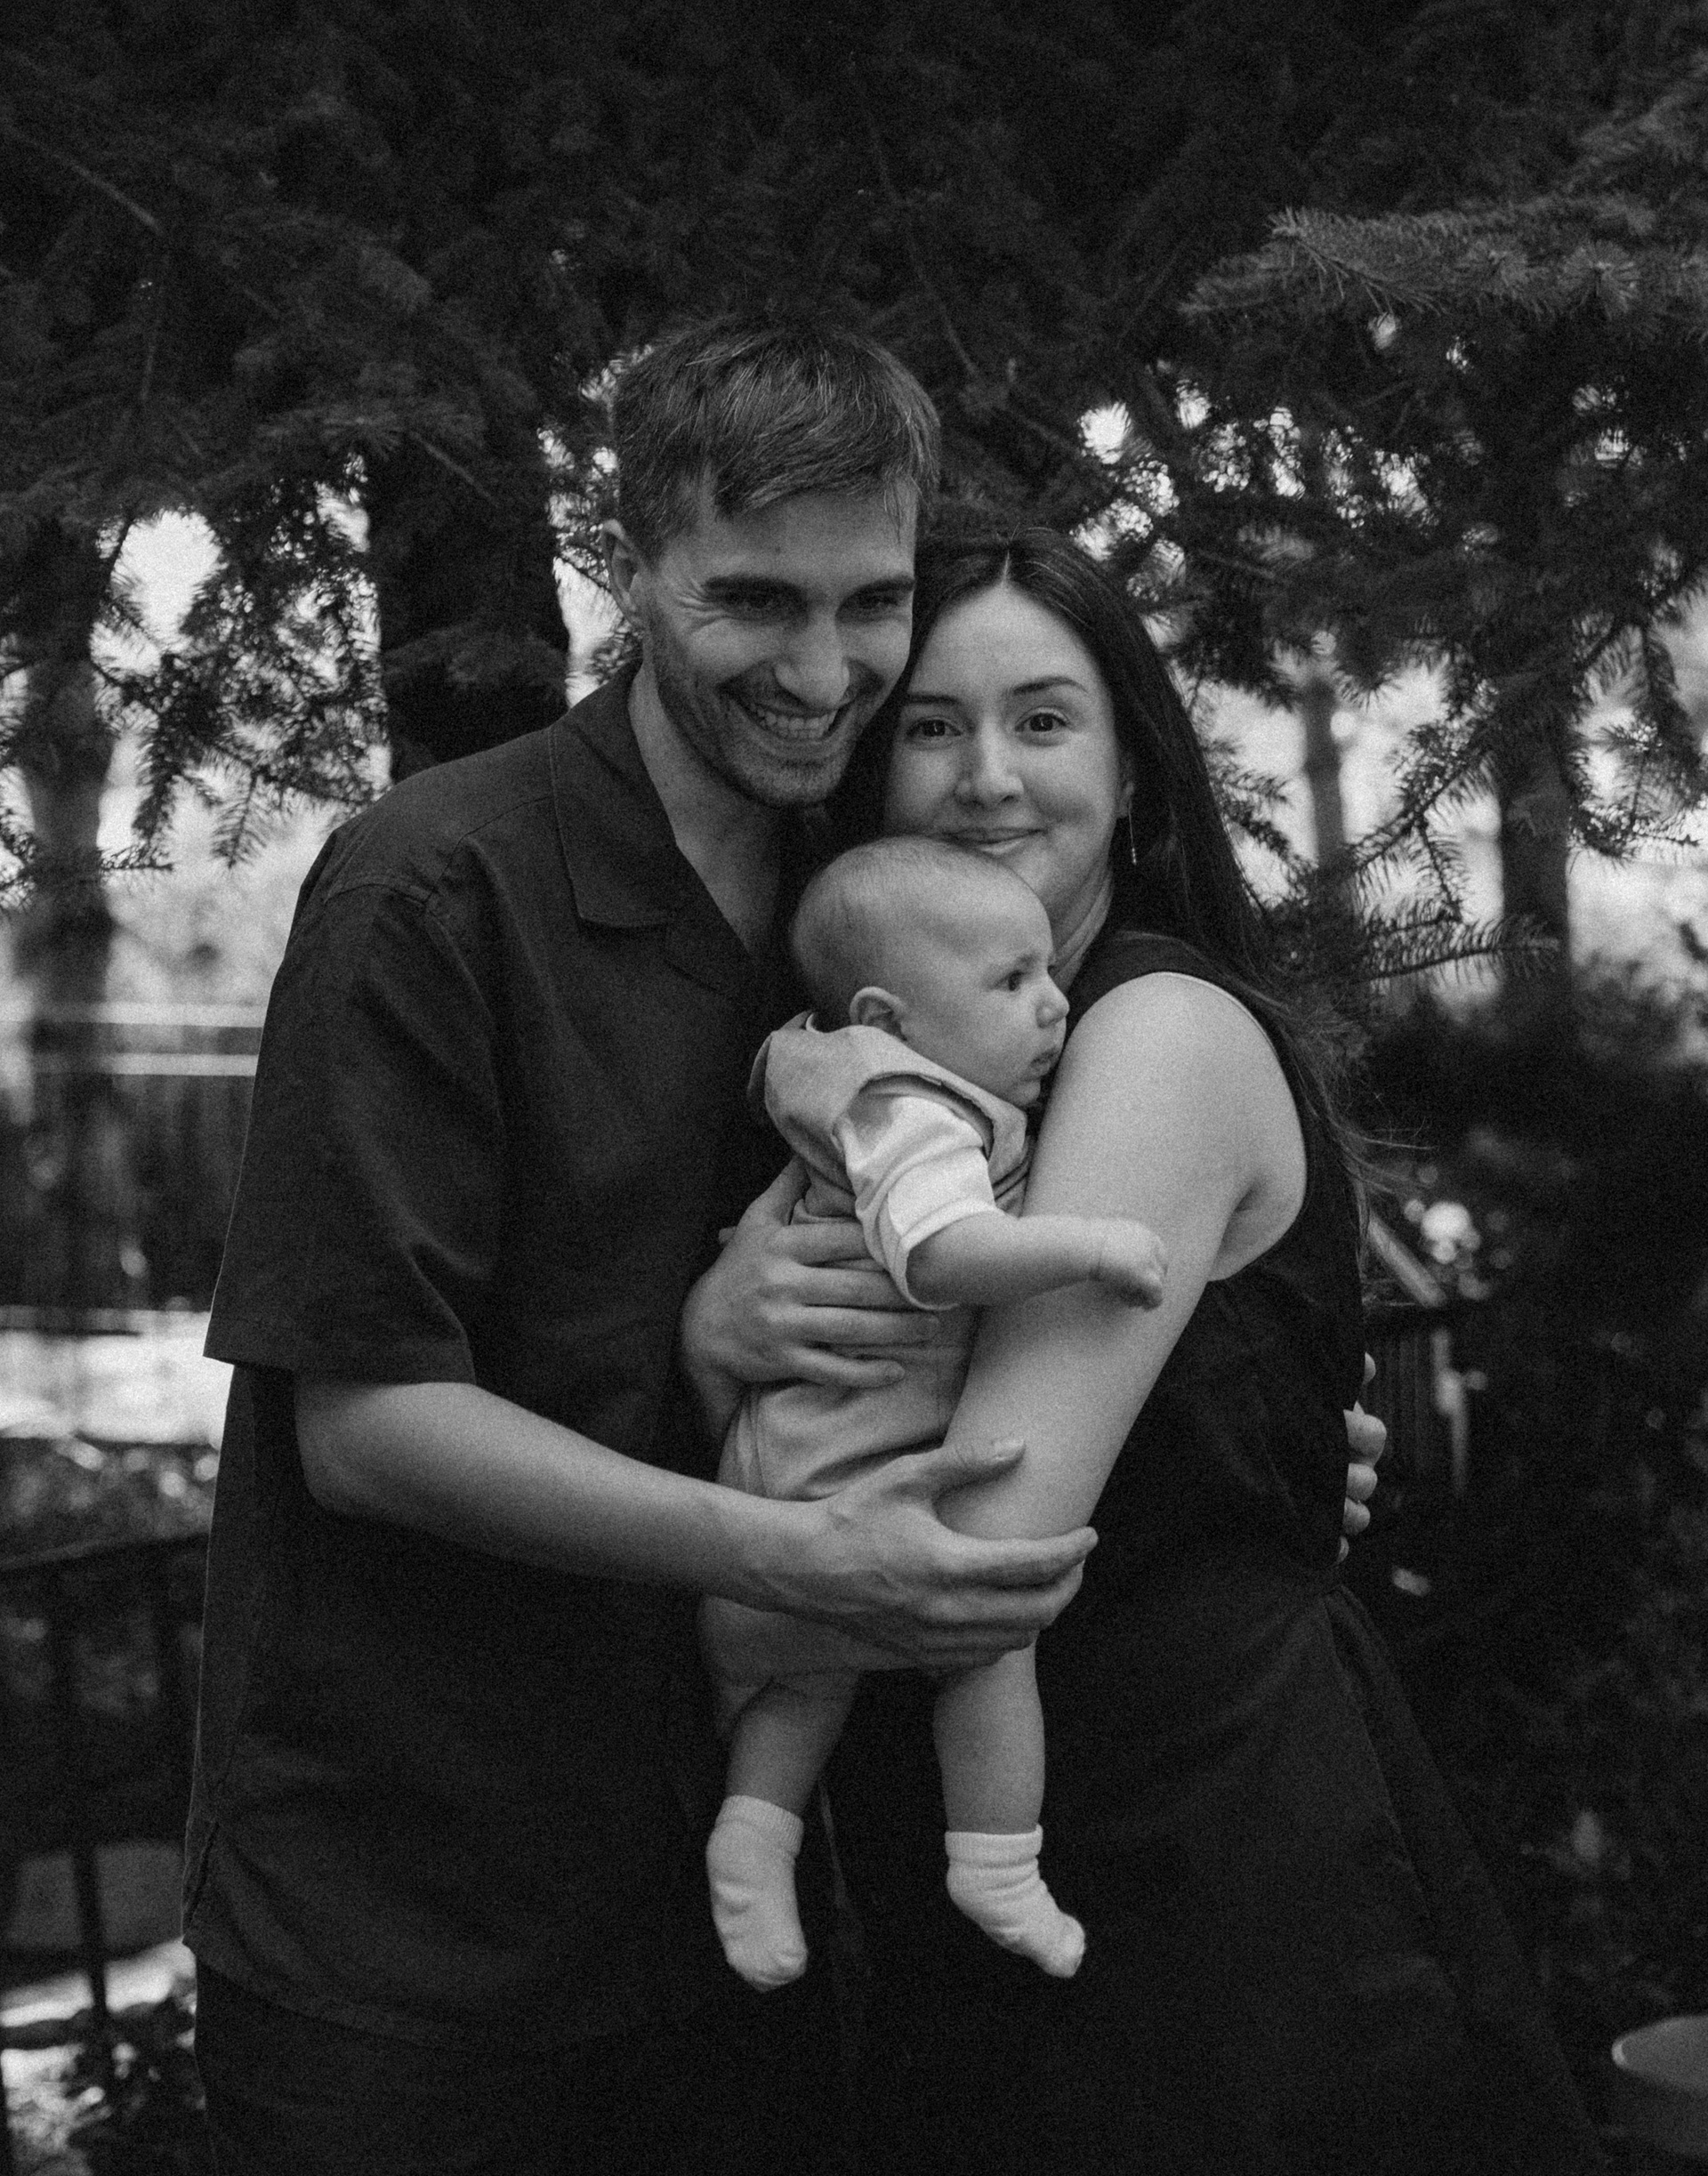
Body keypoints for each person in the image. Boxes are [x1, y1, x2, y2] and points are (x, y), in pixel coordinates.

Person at [181, 320, 1107, 2176]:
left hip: (730, 1912)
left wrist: (1270, 1421)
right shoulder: (435, 884)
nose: (825, 671)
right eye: (756, 601)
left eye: (870, 604)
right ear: (632, 561)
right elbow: (363, 1429)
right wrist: (809, 1553)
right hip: (410, 1937)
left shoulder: (879, 902)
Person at [684, 525, 1607, 2176]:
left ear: (1133, 777)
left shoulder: (1154, 1032)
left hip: (1199, 1877)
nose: (985, 777)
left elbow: (978, 1543)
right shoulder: (906, 1082)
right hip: (999, 1864)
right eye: (932, 726)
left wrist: (728, 1556)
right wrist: (713, 1342)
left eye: (1043, 720)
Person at [699, 837, 1168, 1992]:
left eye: (1049, 971)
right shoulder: (908, 1110)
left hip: (833, 1432)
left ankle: (757, 1845)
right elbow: (943, 1254)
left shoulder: (881, 1081)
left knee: (821, 1676)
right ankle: (991, 1864)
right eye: (1012, 982)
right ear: (886, 1018)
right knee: (972, 1644)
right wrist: (1087, 1247)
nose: (1054, 1005)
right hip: (843, 1443)